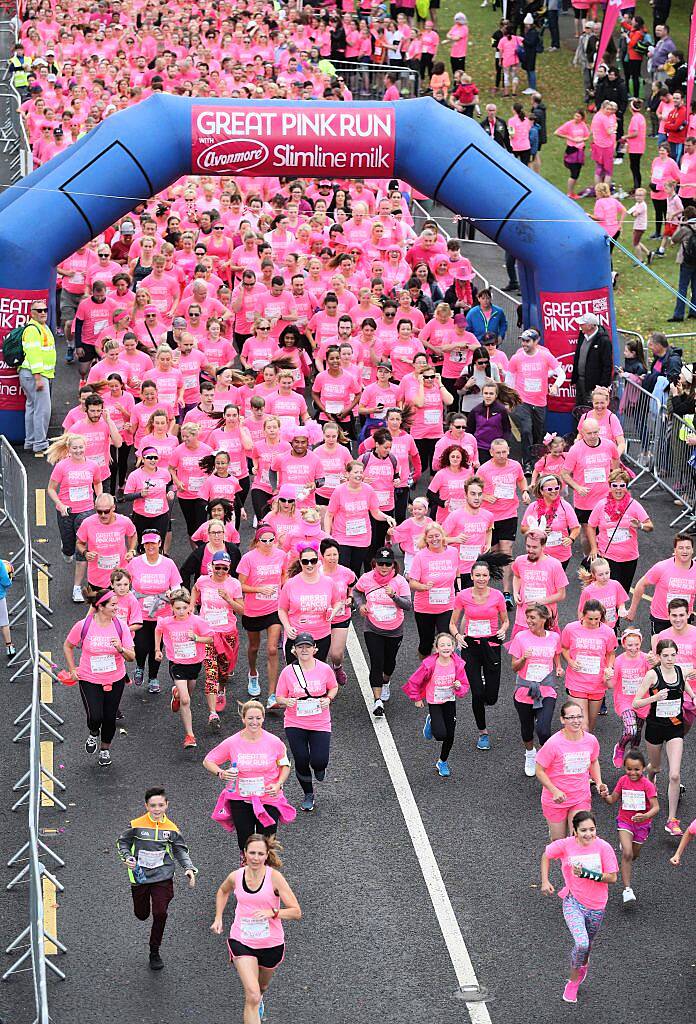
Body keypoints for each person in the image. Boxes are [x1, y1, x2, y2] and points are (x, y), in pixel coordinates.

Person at [210, 834, 301, 1024]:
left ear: (267, 855)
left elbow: (296, 912)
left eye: (260, 853)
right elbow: (222, 891)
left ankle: (260, 999)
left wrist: (273, 913)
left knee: (262, 987)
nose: (256, 858)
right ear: (244, 853)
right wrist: (218, 917)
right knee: (251, 995)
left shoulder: (275, 878)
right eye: (252, 853)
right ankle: (255, 1001)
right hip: (242, 940)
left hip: (271, 943)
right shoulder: (236, 876)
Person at [540, 810, 618, 1004]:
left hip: (597, 906)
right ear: (574, 831)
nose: (588, 834)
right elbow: (546, 855)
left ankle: (582, 965)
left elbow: (612, 877)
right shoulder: (566, 845)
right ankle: (573, 981)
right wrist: (544, 880)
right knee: (581, 943)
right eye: (583, 830)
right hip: (573, 902)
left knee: (587, 947)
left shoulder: (604, 847)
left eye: (592, 829)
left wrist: (587, 874)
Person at [116, 786, 197, 971]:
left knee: (160, 913)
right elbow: (123, 842)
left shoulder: (172, 829)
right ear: (146, 806)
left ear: (167, 805)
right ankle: (143, 912)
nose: (157, 809)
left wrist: (189, 868)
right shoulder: (136, 824)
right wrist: (127, 857)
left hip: (163, 876)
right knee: (142, 914)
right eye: (153, 805)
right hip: (140, 876)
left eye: (161, 805)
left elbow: (179, 850)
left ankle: (154, 951)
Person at [204, 700, 296, 853]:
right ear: (243, 719)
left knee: (267, 842)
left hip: (268, 797)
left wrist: (279, 783)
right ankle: (246, 868)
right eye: (250, 718)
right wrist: (221, 773)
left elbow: (285, 765)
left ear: (263, 718)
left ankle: (266, 871)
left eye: (258, 718)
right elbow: (208, 761)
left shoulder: (274, 742)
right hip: (241, 798)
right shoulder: (233, 742)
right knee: (245, 840)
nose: (254, 722)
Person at [63, 584, 136, 767]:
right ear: (101, 607)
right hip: (89, 678)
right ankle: (93, 732)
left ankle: (104, 750)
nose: (116, 608)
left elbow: (132, 656)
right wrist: (73, 669)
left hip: (115, 678)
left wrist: (120, 648)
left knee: (110, 718)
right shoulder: (84, 625)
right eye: (112, 605)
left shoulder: (121, 627)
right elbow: (68, 646)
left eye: (117, 604)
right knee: (95, 716)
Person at [634, 638, 694, 837]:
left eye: (673, 655)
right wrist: (655, 698)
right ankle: (649, 781)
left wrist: (693, 696)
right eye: (665, 655)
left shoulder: (680, 671)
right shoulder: (652, 675)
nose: (670, 659)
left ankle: (671, 820)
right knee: (656, 766)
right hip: (655, 727)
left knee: (675, 774)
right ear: (658, 657)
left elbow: (686, 687)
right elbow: (636, 703)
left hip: (675, 727)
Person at [274, 633, 338, 812]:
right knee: (301, 759)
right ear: (294, 650)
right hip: (295, 722)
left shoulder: (324, 669)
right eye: (300, 647)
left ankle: (319, 767)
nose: (304, 650)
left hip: (320, 722)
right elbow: (279, 696)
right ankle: (308, 794)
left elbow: (333, 686)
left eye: (307, 646)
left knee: (319, 760)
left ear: (314, 649)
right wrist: (286, 702)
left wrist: (329, 698)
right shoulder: (288, 672)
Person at [449, 559, 507, 750]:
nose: (481, 579)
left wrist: (503, 630)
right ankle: (483, 732)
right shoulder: (463, 596)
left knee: (491, 698)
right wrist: (458, 636)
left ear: (489, 577)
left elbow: (505, 621)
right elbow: (452, 623)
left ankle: (484, 692)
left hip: (491, 646)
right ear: (472, 576)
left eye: (485, 575)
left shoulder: (497, 596)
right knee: (477, 693)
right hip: (471, 647)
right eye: (478, 575)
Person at [535, 700, 608, 840]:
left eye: (579, 717)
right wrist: (554, 790)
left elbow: (593, 761)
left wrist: (599, 783)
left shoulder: (591, 740)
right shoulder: (553, 744)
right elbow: (539, 770)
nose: (576, 721)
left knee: (580, 839)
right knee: (559, 842)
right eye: (571, 718)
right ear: (562, 720)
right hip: (556, 800)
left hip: (580, 797)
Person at [353, 546, 412, 717]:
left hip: (394, 630)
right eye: (381, 564)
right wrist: (361, 605)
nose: (384, 567)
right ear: (374, 564)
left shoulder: (400, 582)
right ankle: (377, 701)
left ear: (393, 565)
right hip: (372, 628)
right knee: (376, 662)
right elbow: (356, 591)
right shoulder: (366, 578)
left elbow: (408, 605)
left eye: (387, 564)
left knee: (389, 663)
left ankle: (386, 681)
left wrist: (394, 596)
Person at [402, 632, 470, 777]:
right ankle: (432, 721)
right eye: (442, 645)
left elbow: (464, 685)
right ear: (437, 649)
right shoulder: (429, 664)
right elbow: (414, 681)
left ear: (453, 647)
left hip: (449, 701)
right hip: (435, 701)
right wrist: (416, 698)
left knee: (450, 735)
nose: (446, 648)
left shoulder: (457, 664)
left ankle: (442, 762)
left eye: (449, 645)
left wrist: (459, 686)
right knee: (440, 735)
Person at [155, 587, 214, 748]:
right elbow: (158, 630)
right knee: (187, 700)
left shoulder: (197, 622)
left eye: (184, 608)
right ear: (172, 608)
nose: (181, 611)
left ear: (190, 606)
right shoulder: (167, 622)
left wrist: (196, 638)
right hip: (177, 664)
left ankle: (177, 694)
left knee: (188, 693)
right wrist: (157, 650)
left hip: (194, 664)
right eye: (177, 608)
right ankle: (190, 736)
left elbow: (210, 639)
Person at [601, 749, 659, 904]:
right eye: (629, 769)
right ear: (624, 768)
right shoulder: (622, 781)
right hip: (625, 822)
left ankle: (628, 848)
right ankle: (627, 889)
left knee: (634, 855)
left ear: (644, 768)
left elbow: (656, 807)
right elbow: (612, 800)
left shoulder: (647, 785)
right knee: (626, 854)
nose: (633, 773)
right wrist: (605, 796)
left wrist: (645, 816)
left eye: (637, 769)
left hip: (642, 825)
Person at [238, 526, 287, 704]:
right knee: (253, 647)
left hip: (274, 608)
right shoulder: (248, 558)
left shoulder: (281, 555)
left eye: (271, 540)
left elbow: (284, 575)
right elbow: (240, 585)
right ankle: (252, 673)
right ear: (257, 541)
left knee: (273, 649)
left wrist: (284, 588)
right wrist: (259, 589)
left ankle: (272, 695)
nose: (267, 544)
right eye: (263, 541)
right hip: (253, 610)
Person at [129, 532, 182, 693]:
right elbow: (124, 582)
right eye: (146, 544)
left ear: (159, 543)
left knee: (156, 647)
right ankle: (139, 666)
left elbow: (177, 587)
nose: (150, 546)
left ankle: (153, 677)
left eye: (153, 543)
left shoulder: (168, 564)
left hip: (162, 614)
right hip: (140, 613)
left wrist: (172, 595)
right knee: (140, 645)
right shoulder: (135, 563)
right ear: (143, 545)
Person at [506, 328, 565, 474]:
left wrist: (556, 385)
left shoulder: (545, 356)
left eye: (527, 341)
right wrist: (510, 399)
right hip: (522, 400)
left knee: (538, 432)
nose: (524, 344)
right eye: (523, 341)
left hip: (540, 401)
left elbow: (561, 373)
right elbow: (510, 379)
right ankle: (527, 463)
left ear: (536, 341)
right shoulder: (516, 358)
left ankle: (537, 461)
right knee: (526, 430)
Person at [561, 601, 617, 734]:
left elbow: (611, 653)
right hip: (577, 682)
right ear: (582, 615)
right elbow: (564, 648)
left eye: (596, 619)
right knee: (582, 726)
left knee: (590, 726)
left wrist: (609, 667)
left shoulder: (608, 632)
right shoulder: (571, 629)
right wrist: (570, 661)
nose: (593, 622)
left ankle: (585, 751)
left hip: (597, 684)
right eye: (590, 619)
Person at [625, 533, 696, 634]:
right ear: (674, 551)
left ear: (692, 550)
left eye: (688, 548)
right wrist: (632, 610)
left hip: (683, 619)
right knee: (659, 649)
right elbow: (641, 584)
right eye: (681, 548)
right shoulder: (662, 567)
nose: (685, 551)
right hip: (661, 619)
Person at [609, 627, 651, 769]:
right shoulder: (619, 661)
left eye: (636, 644)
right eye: (630, 645)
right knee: (630, 730)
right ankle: (620, 748)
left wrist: (655, 662)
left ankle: (633, 759)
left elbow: (654, 677)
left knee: (637, 734)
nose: (633, 648)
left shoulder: (645, 658)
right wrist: (606, 677)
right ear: (624, 644)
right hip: (624, 701)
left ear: (641, 642)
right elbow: (611, 684)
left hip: (642, 702)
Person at [18, 299, 56, 456]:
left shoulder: (41, 327)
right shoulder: (34, 330)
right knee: (43, 410)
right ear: (31, 313)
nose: (43, 313)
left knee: (33, 407)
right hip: (35, 375)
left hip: (32, 375)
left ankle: (31, 441)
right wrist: (38, 378)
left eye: (45, 310)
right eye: (39, 310)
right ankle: (40, 444)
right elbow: (34, 355)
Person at [571, 313, 614, 410]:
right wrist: (574, 378)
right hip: (580, 382)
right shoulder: (582, 335)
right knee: (579, 409)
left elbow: (607, 365)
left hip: (594, 386)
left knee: (591, 411)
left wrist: (602, 387)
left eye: (582, 324)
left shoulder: (604, 341)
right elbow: (578, 356)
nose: (580, 326)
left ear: (590, 326)